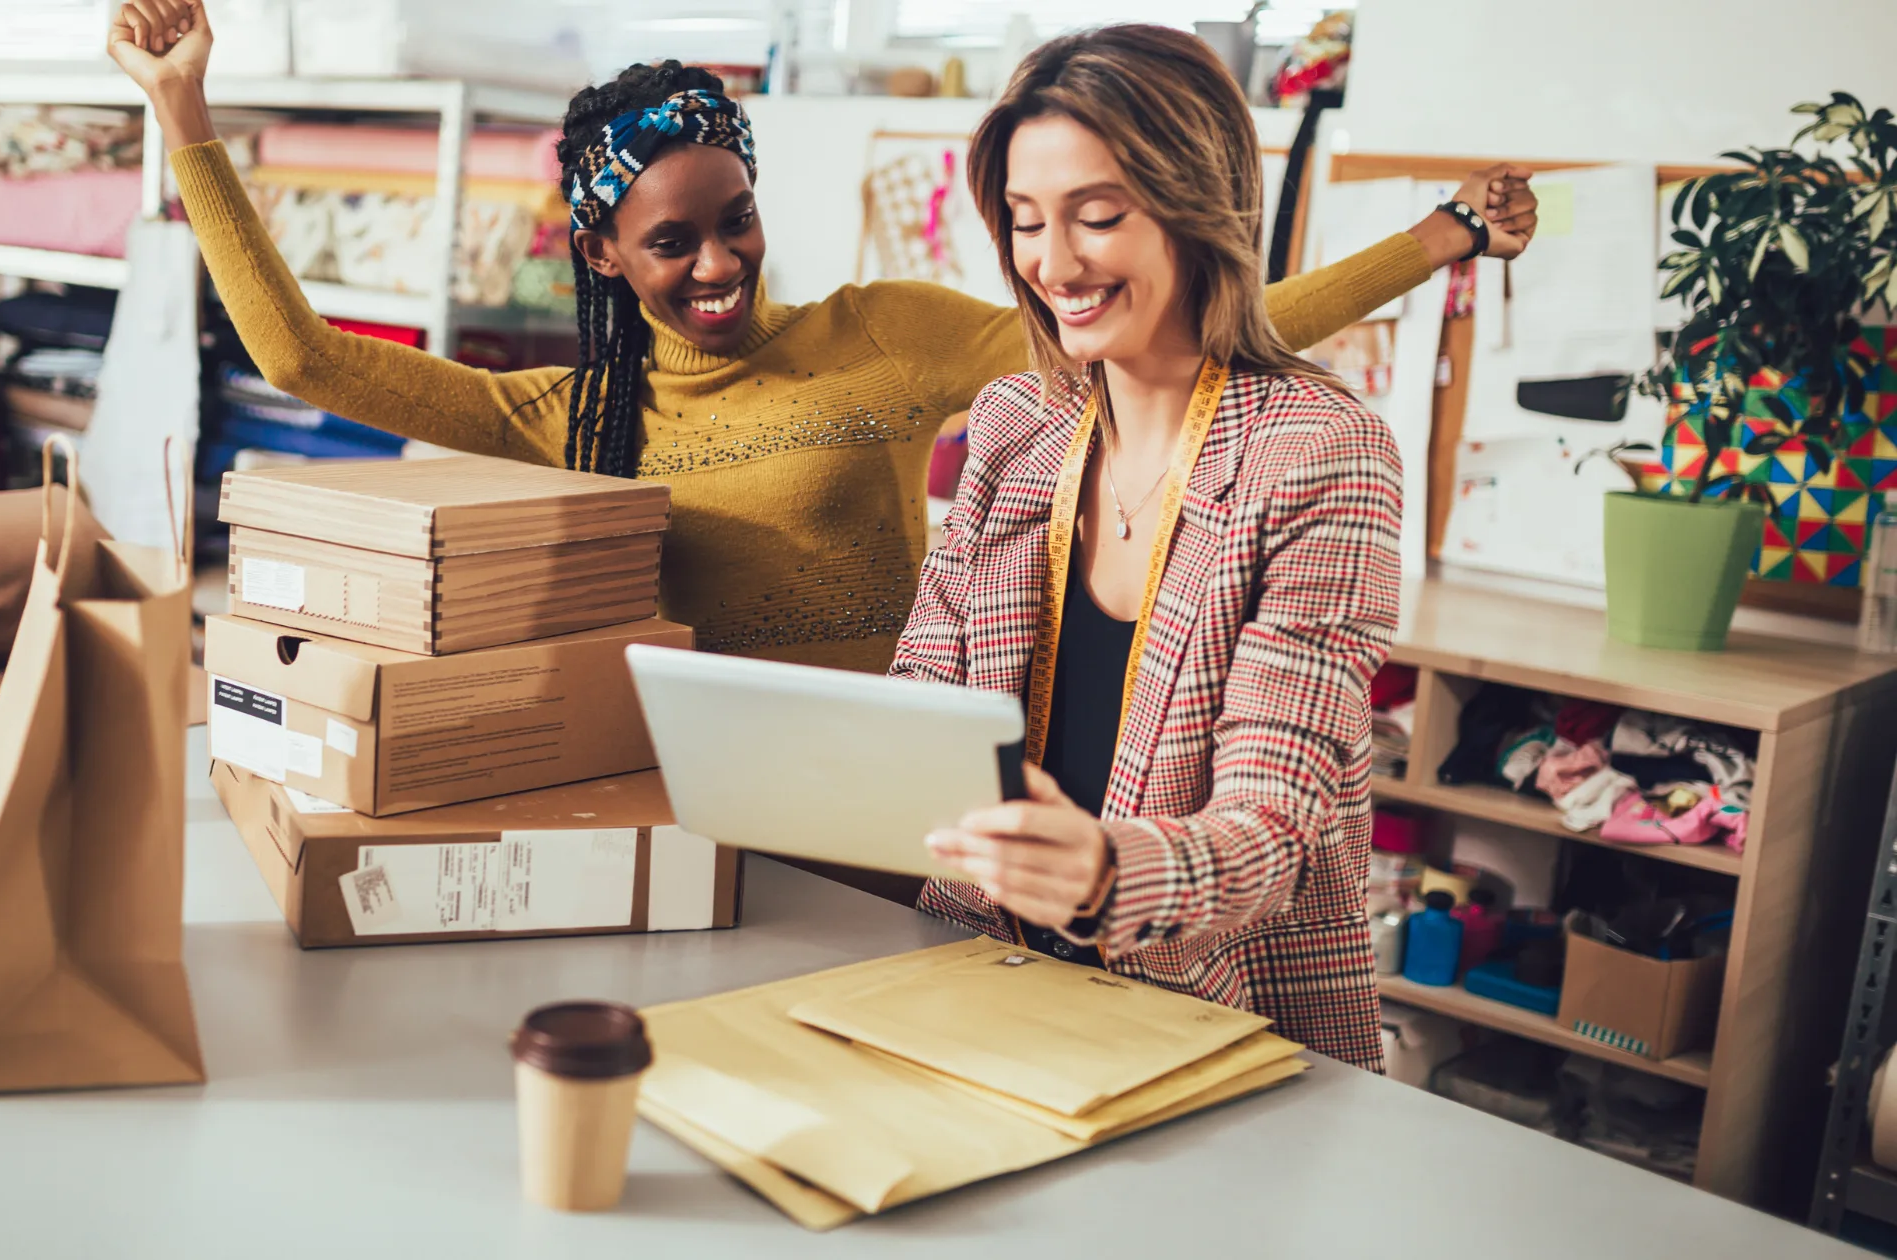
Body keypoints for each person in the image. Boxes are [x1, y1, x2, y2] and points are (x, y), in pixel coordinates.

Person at [107, 1, 1537, 679]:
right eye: (673, 242)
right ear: (602, 255)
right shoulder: (565, 413)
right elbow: (301, 362)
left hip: (899, 793)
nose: (719, 262)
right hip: (686, 792)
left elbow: (1177, 331)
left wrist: (1433, 244)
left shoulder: (882, 339)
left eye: (736, 219)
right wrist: (187, 120)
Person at [897, 24, 1427, 1070]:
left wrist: (1098, 871)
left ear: (1199, 209)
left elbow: (1272, 829)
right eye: (1023, 221)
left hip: (1206, 1024)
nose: (1053, 263)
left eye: (1098, 216)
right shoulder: (1011, 426)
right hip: (974, 988)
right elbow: (920, 700)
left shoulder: (1320, 452)